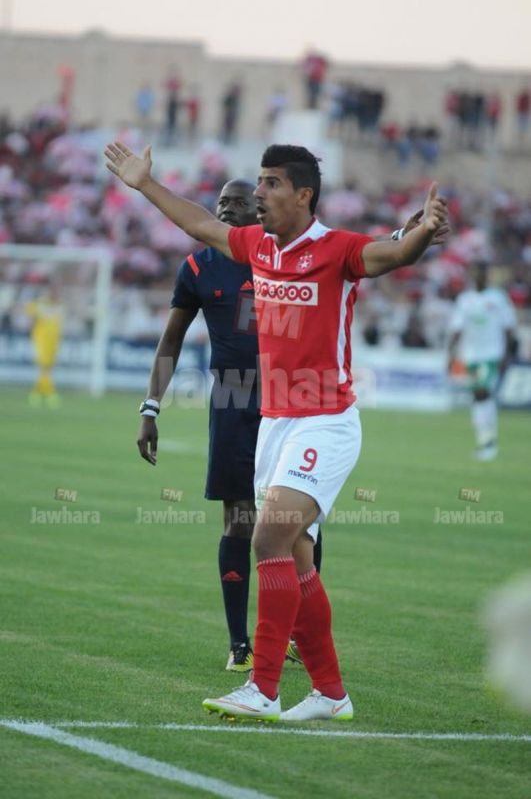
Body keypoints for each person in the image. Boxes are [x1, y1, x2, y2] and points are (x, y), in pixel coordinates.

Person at [104, 139, 448, 722]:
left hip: (326, 423)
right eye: (258, 182)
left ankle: (262, 686)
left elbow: (395, 255)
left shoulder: (337, 249)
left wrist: (422, 232)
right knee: (299, 557)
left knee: (265, 540)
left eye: (270, 183)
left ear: (303, 195)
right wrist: (144, 184)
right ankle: (331, 693)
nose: (258, 193)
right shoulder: (258, 247)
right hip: (275, 424)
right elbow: (197, 223)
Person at [137, 178, 323, 673]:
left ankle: (297, 636)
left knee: (299, 521)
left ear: (257, 210)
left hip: (290, 399)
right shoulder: (198, 267)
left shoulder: (285, 256)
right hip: (232, 399)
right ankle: (240, 644)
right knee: (238, 517)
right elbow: (172, 339)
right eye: (221, 202)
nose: (227, 209)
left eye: (238, 202)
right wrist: (151, 406)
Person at [448, 262, 517, 461]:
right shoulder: (465, 299)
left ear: (487, 276)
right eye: (475, 273)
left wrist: (507, 354)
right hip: (471, 355)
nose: (478, 277)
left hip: (492, 354)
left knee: (481, 392)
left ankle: (488, 443)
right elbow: (457, 329)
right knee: (479, 396)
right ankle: (485, 440)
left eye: (481, 273)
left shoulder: (498, 298)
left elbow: (508, 327)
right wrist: (450, 355)